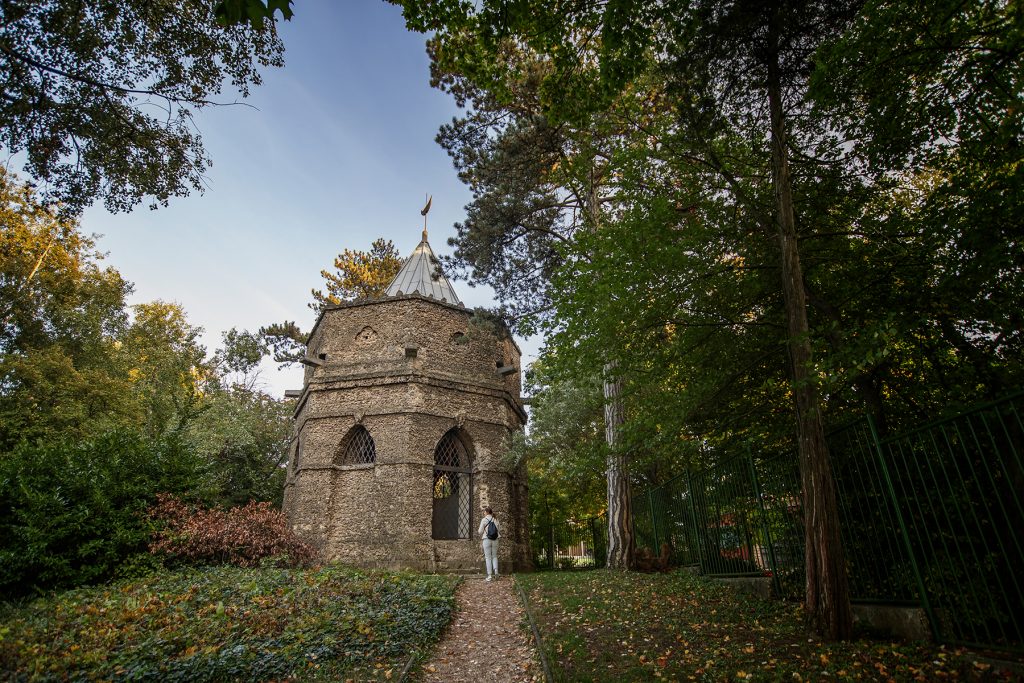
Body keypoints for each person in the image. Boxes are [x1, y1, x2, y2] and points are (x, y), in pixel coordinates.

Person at [478, 506, 500, 581]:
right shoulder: (496, 519)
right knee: (494, 556)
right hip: (495, 539)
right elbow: (499, 529)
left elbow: (480, 531)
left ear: (487, 512)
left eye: (484, 512)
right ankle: (496, 571)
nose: (484, 513)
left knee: (488, 557)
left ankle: (490, 575)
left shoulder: (484, 520)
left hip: (486, 539)